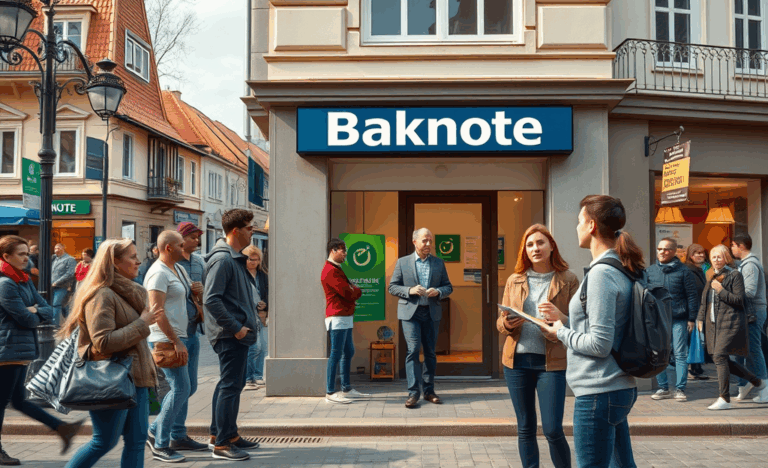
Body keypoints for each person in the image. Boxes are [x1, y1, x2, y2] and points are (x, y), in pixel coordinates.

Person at [541, 195, 641, 468]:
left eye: (579, 221)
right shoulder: (619, 267)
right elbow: (606, 325)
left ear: (592, 226)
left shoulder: (601, 275)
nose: (576, 227)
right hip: (615, 387)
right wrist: (564, 319)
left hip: (599, 392)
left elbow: (599, 344)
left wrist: (560, 332)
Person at [61, 238, 161, 468]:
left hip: (137, 378)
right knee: (103, 442)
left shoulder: (130, 291)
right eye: (132, 257)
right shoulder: (102, 295)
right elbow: (103, 342)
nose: (138, 261)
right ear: (114, 262)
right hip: (111, 379)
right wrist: (142, 323)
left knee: (137, 441)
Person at [498, 224, 578, 468]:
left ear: (551, 245)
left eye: (540, 243)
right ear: (525, 250)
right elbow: (500, 324)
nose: (535, 248)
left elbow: (580, 322)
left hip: (551, 363)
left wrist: (560, 318)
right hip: (516, 362)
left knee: (553, 429)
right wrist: (508, 323)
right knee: (525, 428)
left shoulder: (569, 279)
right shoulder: (515, 280)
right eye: (530, 244)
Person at [0, 236, 83, 466]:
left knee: (19, 400)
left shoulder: (23, 280)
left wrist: (34, 308)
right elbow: (27, 319)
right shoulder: (5, 283)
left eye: (27, 253)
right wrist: (34, 311)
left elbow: (46, 308)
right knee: (6, 402)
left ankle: (62, 428)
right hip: (7, 350)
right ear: (6, 257)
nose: (27, 257)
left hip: (19, 349)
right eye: (21, 254)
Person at [203, 209, 261, 461]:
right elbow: (212, 300)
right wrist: (237, 327)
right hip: (229, 335)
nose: (253, 231)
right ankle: (223, 444)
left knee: (230, 384)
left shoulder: (231, 257)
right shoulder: (224, 260)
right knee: (230, 385)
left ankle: (224, 434)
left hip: (232, 334)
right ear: (236, 230)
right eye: (250, 227)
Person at [143, 231, 198, 463]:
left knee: (189, 387)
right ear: (168, 248)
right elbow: (157, 312)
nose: (184, 247)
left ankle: (157, 430)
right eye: (180, 245)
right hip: (167, 339)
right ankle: (160, 443)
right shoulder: (157, 274)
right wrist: (175, 341)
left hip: (187, 335)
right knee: (179, 389)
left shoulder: (179, 269)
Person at [696, 244, 767, 410]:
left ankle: (724, 398)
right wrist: (700, 318)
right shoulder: (711, 275)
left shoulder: (734, 275)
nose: (716, 259)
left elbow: (739, 300)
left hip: (730, 322)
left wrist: (721, 290)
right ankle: (756, 381)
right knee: (722, 359)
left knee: (720, 357)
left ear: (726, 258)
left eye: (719, 256)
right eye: (713, 257)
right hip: (713, 324)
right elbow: (704, 300)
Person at [389, 228, 453, 409]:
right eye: (425, 241)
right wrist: (409, 290)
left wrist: (439, 291)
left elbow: (448, 286)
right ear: (414, 242)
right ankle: (413, 393)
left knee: (431, 352)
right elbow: (392, 287)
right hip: (410, 313)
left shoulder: (439, 263)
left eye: (430, 241)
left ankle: (429, 391)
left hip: (431, 312)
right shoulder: (403, 263)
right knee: (413, 349)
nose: (428, 244)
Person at [648, 238, 700, 402]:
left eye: (666, 249)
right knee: (658, 354)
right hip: (657, 320)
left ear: (674, 251)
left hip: (679, 319)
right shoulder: (650, 271)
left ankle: (680, 389)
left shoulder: (685, 272)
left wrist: (691, 318)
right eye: (659, 248)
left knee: (680, 354)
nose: (661, 252)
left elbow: (692, 296)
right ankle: (663, 388)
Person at [171, 222, 208, 450]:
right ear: (181, 239)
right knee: (180, 387)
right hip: (177, 333)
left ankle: (174, 432)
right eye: (193, 237)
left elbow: (205, 290)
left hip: (193, 330)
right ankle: (173, 433)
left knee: (191, 386)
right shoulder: (169, 264)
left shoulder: (199, 262)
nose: (197, 241)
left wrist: (201, 292)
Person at [321, 238, 369, 404]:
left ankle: (347, 388)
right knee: (336, 353)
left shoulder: (337, 269)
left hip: (345, 316)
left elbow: (349, 290)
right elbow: (348, 293)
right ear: (333, 250)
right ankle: (330, 391)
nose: (345, 253)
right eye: (342, 250)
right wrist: (356, 291)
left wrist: (352, 290)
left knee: (348, 352)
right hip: (338, 317)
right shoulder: (330, 271)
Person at [730, 233, 768, 403]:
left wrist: (728, 293)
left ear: (741, 246)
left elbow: (750, 292)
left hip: (753, 312)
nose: (732, 249)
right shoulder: (745, 264)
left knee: (754, 349)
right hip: (749, 311)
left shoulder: (750, 265)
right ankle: (746, 384)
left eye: (733, 245)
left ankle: (765, 390)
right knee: (743, 350)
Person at [244, 245, 269, 390]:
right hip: (248, 315)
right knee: (254, 347)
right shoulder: (242, 274)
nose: (253, 262)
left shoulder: (262, 275)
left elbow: (267, 292)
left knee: (263, 347)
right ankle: (248, 378)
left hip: (262, 314)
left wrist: (265, 305)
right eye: (250, 259)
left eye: (256, 259)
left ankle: (258, 376)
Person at [684, 243, 710, 380]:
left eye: (702, 253)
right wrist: (691, 316)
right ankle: (690, 370)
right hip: (692, 312)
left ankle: (696, 368)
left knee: (698, 340)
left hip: (700, 311)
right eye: (697, 253)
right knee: (692, 341)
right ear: (690, 255)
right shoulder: (688, 270)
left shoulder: (700, 270)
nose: (700, 255)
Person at [51, 243, 77, 324]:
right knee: (64, 306)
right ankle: (71, 324)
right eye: (55, 248)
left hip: (63, 286)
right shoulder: (55, 259)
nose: (56, 250)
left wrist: (57, 282)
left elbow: (70, 273)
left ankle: (55, 325)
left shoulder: (70, 259)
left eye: (58, 248)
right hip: (53, 286)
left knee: (56, 305)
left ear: (64, 248)